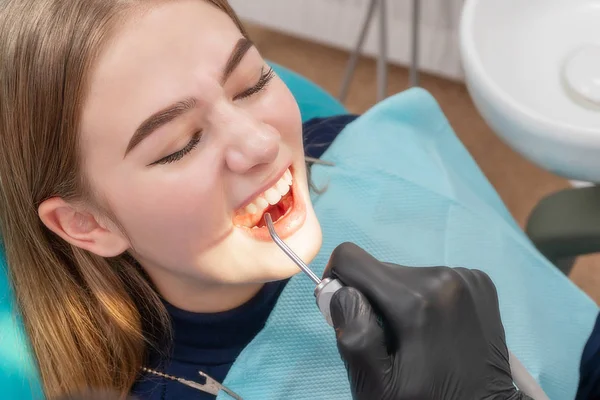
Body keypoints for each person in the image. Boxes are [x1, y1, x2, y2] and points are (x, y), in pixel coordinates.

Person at [0, 0, 566, 399]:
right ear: (85, 223)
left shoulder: (361, 146)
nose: (262, 142)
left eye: (252, 83)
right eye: (179, 146)